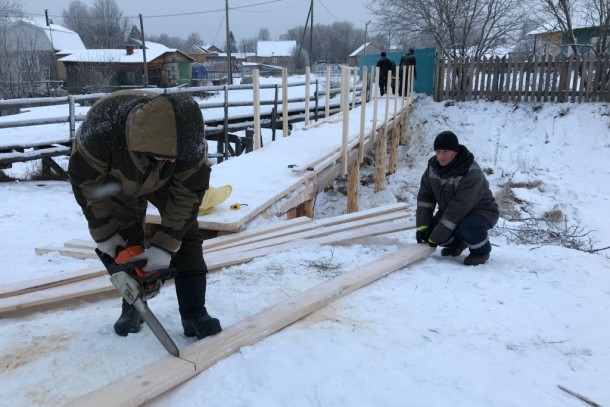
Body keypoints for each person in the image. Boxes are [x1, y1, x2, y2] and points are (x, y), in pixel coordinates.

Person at [68, 90, 222, 339]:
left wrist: (166, 245)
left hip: (168, 183)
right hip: (117, 178)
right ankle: (133, 307)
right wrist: (106, 234)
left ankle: (194, 313)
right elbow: (87, 184)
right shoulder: (100, 129)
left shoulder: (190, 143)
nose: (166, 160)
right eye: (161, 156)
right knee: (127, 235)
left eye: (172, 158)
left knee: (186, 234)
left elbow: (188, 196)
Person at [415, 131, 499, 266]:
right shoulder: (432, 167)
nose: (440, 157)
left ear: (455, 151)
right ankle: (460, 243)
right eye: (438, 152)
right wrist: (422, 226)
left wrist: (436, 236)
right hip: (452, 209)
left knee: (467, 226)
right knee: (432, 234)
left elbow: (457, 210)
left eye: (445, 152)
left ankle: (481, 252)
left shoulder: (471, 172)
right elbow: (425, 198)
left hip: (482, 211)